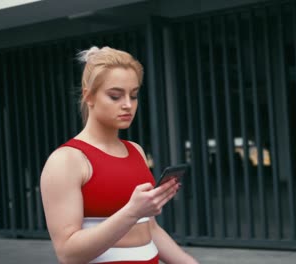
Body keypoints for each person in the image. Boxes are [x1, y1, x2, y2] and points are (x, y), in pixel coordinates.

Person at [40, 46, 198, 264]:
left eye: (133, 95)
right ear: (89, 96)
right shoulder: (67, 160)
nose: (127, 105)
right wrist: (131, 212)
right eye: (115, 96)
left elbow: (150, 228)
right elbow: (68, 254)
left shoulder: (136, 151)